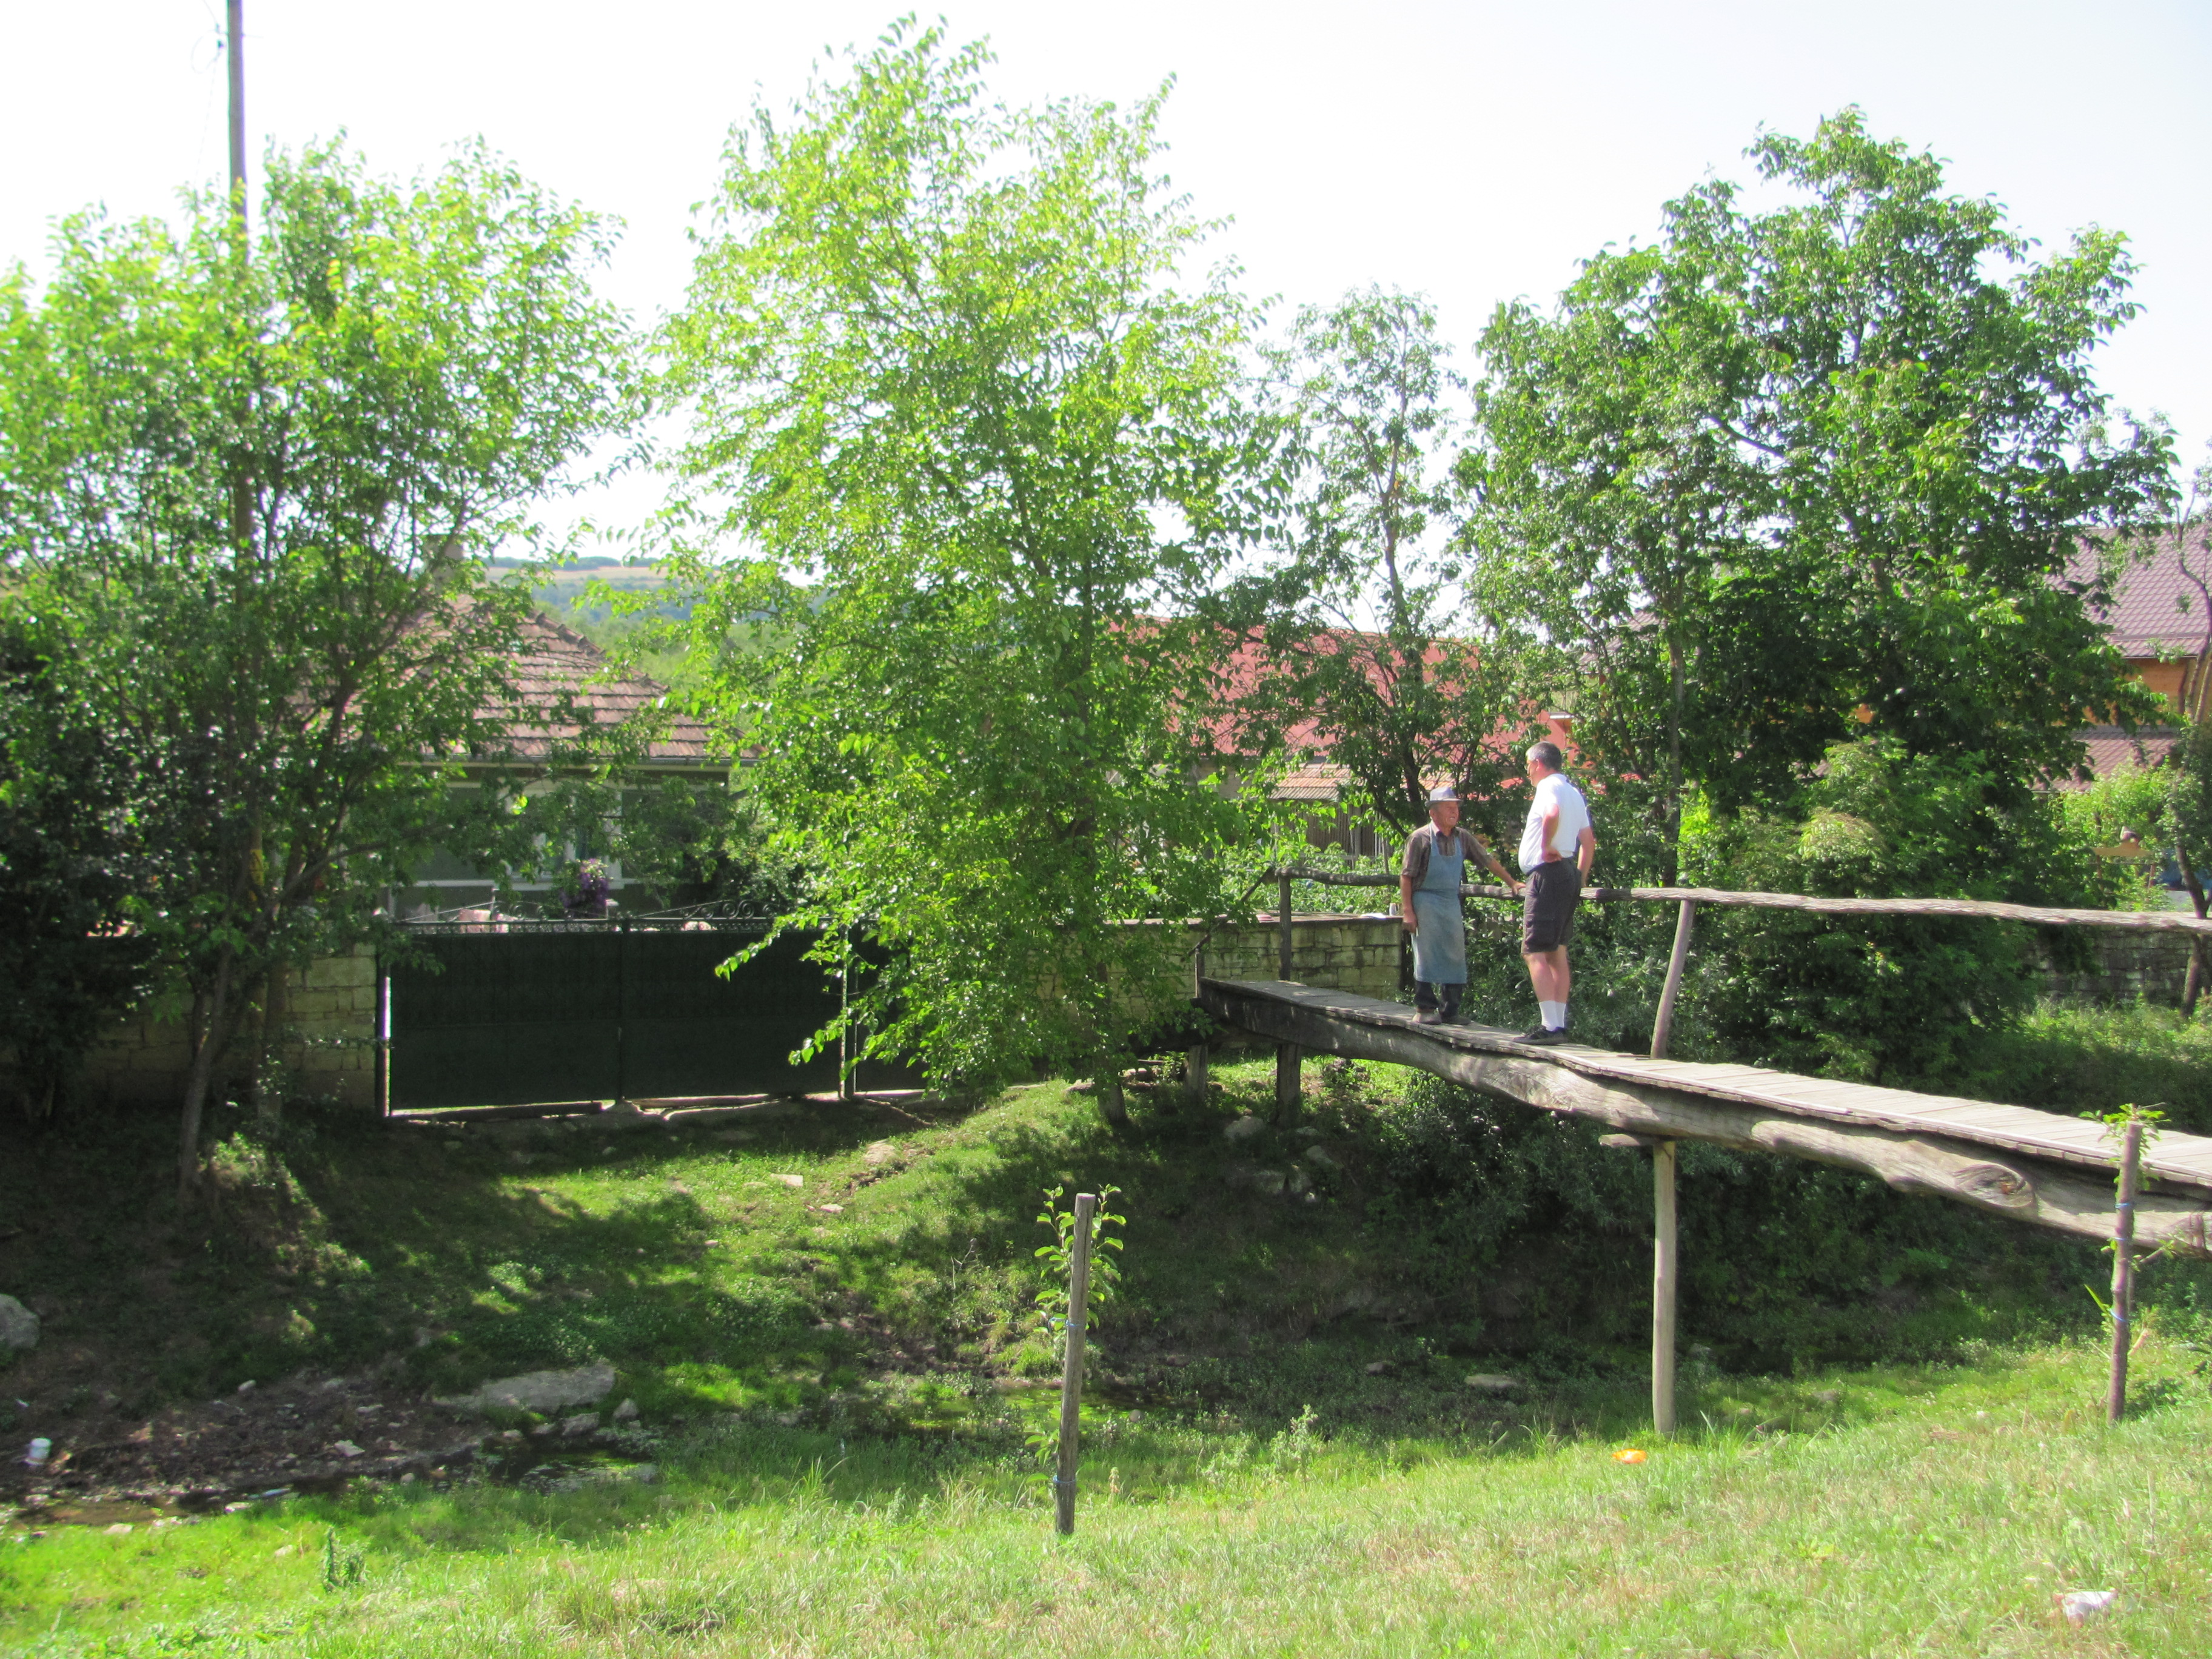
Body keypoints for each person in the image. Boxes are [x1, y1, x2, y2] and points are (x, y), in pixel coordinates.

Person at [1399, 785, 1518, 1025]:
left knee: (1455, 952)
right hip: (1425, 899)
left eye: (1456, 808)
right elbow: (1406, 876)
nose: (1454, 812)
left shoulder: (1462, 837)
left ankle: (1450, 1010)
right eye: (1448, 808)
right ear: (1433, 813)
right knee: (1426, 952)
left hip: (1450, 900)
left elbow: (1488, 860)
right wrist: (1408, 912)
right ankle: (1425, 1008)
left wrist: (1513, 882)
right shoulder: (1420, 838)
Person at [1515, 741, 1595, 1045]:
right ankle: (1558, 1025)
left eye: (1527, 764)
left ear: (1538, 763)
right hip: (1568, 873)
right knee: (1557, 950)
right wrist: (1579, 878)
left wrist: (1547, 846)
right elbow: (1589, 841)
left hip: (1547, 875)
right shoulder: (1573, 791)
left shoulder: (1548, 787)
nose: (1527, 770)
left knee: (1534, 951)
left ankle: (1549, 1027)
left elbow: (1552, 813)